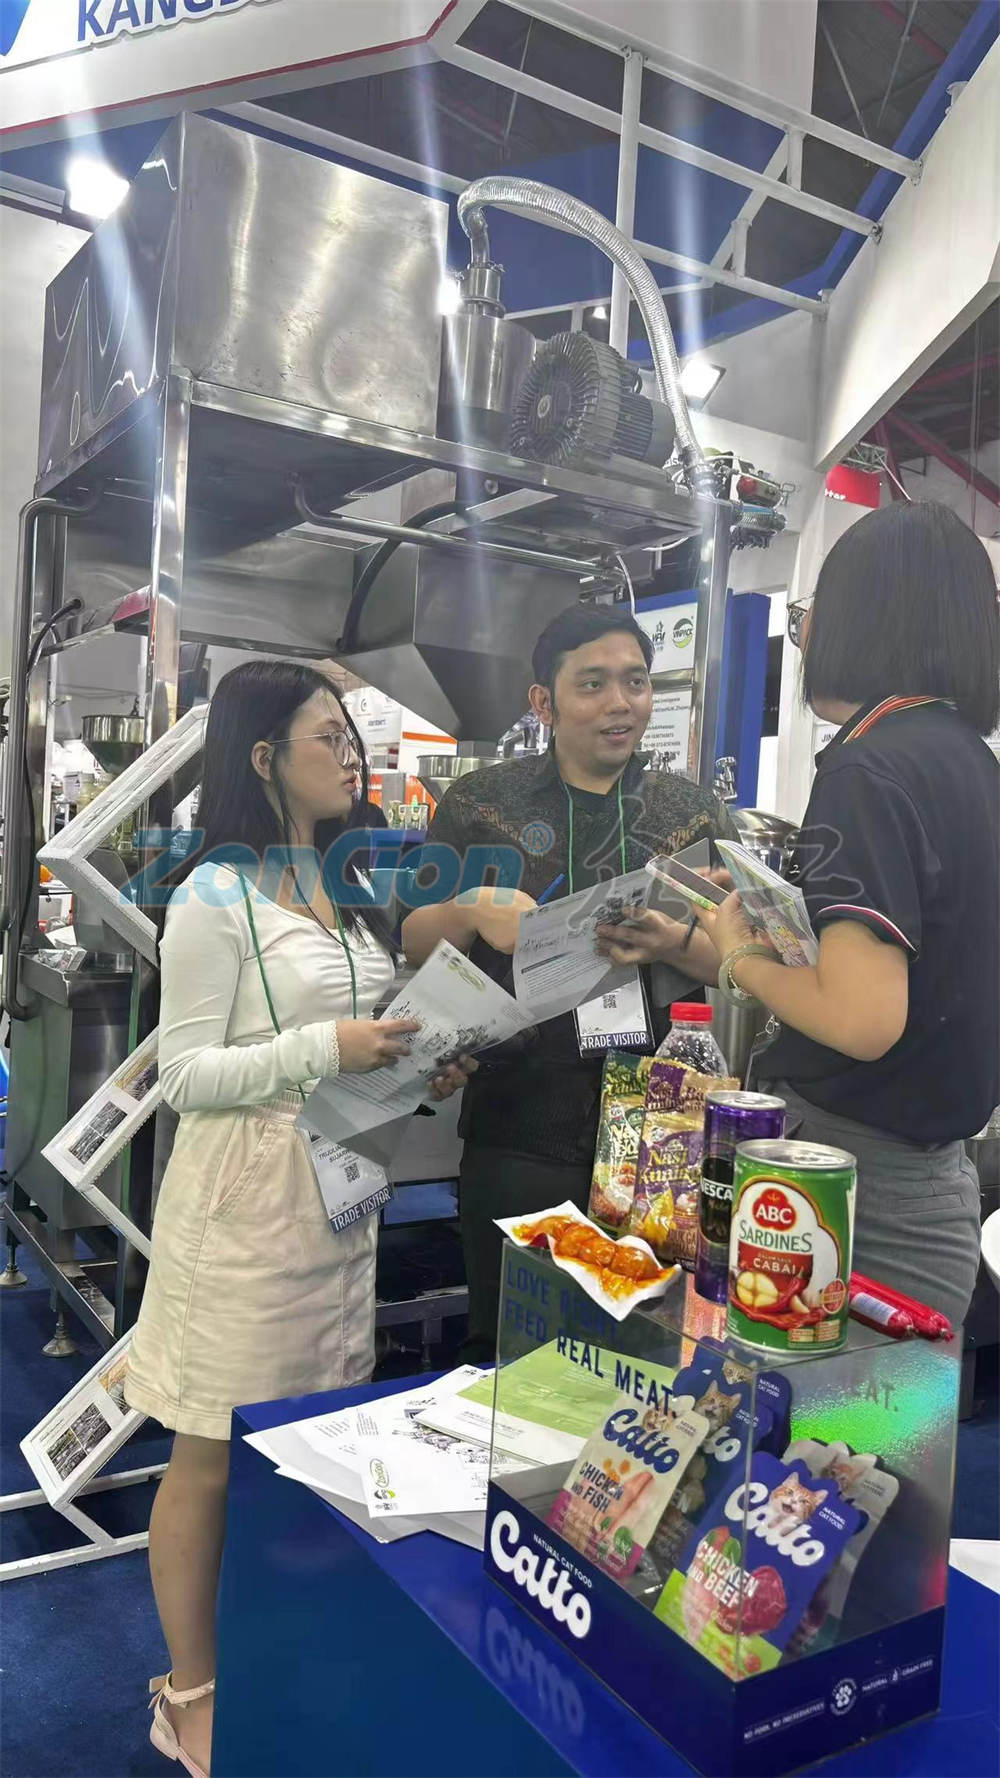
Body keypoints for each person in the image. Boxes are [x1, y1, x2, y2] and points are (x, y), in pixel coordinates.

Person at [124, 662, 475, 1778]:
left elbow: (355, 1045)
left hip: (338, 1189)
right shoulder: (212, 895)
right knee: (210, 1452)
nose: (352, 755)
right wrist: (330, 1046)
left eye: (353, 735)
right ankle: (187, 1692)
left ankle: (276, 1652)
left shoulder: (344, 881)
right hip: (244, 1205)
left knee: (307, 1438)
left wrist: (418, 1064)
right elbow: (183, 1074)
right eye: (330, 735)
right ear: (264, 756)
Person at [662, 500, 997, 1328]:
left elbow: (861, 1019)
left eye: (813, 608)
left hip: (854, 1182)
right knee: (900, 1415)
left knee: (825, 1413)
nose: (806, 631)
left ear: (858, 617)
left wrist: (740, 957)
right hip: (933, 1174)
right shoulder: (971, 763)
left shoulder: (867, 770)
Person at [401, 602, 737, 1361]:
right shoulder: (482, 805)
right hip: (521, 1115)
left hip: (661, 1130)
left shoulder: (693, 815)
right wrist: (470, 907)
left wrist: (674, 941)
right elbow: (413, 937)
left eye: (636, 682)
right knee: (514, 1352)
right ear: (544, 702)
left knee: (651, 1350)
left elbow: (743, 965)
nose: (621, 703)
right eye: (593, 684)